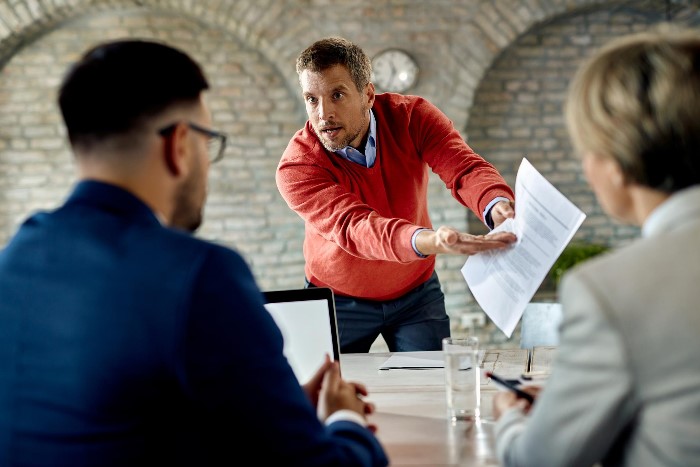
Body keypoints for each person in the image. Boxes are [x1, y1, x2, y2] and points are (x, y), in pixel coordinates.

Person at [0, 39, 388, 467]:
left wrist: (274, 404)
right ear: (180, 145)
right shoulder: (200, 274)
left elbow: (109, 418)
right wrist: (344, 421)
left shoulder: (17, 257)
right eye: (207, 140)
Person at [492, 25, 700, 466]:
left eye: (587, 150)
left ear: (620, 162)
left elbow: (539, 461)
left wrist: (510, 418)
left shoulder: (612, 290)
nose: (586, 169)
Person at [276, 36, 517, 353]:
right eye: (312, 99)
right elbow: (356, 227)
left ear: (368, 95)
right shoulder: (298, 166)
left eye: (337, 95)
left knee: (431, 387)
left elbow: (463, 167)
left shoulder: (413, 117)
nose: (323, 114)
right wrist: (429, 241)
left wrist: (496, 203)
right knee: (328, 395)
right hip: (337, 299)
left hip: (416, 294)